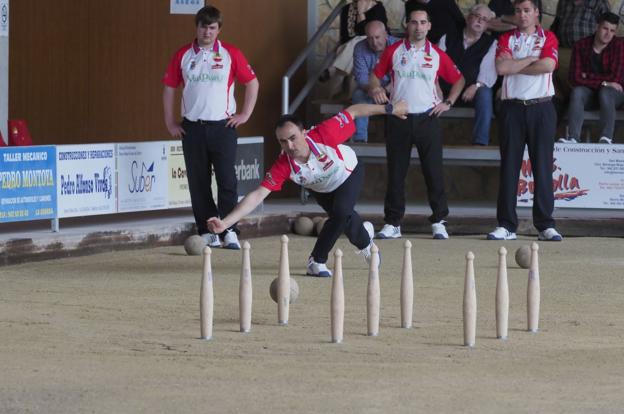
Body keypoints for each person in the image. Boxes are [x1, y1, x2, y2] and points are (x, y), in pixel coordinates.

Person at [207, 102, 409, 277]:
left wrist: (390, 109)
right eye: (282, 141)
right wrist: (225, 223)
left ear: (304, 132)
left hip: (348, 173)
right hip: (321, 189)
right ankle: (366, 240)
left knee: (340, 213)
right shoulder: (283, 164)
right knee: (345, 219)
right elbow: (257, 195)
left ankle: (316, 261)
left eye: (293, 138)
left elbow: (354, 111)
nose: (289, 145)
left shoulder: (324, 133)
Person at [162, 5, 259, 250]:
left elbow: (252, 82)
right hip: (192, 128)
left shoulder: (231, 53)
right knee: (198, 182)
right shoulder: (183, 54)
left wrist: (245, 114)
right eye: (203, 27)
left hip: (223, 127)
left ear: (219, 30)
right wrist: (170, 122)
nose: (207, 32)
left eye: (212, 27)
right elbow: (169, 87)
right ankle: (207, 231)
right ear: (197, 27)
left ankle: (229, 230)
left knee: (228, 180)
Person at [369, 6, 465, 240]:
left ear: (429, 26)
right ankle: (393, 223)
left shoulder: (436, 54)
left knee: (434, 172)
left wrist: (449, 102)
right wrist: (376, 88)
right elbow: (374, 76)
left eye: (423, 23)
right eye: (414, 22)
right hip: (398, 118)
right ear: (407, 25)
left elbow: (459, 79)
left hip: (427, 118)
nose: (419, 27)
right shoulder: (393, 50)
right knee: (396, 173)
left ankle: (439, 220)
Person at [487, 0, 562, 242]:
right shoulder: (507, 39)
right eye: (518, 11)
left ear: (536, 13)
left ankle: (545, 225)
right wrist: (531, 59)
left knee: (542, 167)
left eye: (527, 10)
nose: (522, 15)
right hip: (512, 108)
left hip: (541, 107)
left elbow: (548, 64)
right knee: (509, 167)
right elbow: (501, 68)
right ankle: (507, 225)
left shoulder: (548, 37)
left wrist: (516, 65)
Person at [559, 12, 623, 144]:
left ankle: (606, 138)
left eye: (612, 31)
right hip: (590, 95)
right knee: (578, 92)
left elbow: (616, 78)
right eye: (605, 28)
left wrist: (587, 76)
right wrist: (605, 82)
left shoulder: (619, 46)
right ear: (597, 26)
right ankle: (573, 138)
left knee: (606, 92)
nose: (608, 34)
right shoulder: (580, 46)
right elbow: (574, 78)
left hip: (613, 96)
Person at [438, 4, 497, 146]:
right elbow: (435, 64)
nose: (480, 21)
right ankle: (422, 139)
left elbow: (488, 70)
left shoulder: (491, 43)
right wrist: (436, 88)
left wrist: (476, 86)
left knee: (485, 92)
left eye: (484, 19)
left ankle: (480, 141)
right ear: (468, 18)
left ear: (487, 24)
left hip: (469, 93)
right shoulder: (448, 37)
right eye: (477, 17)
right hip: (444, 90)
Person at [320, 0, 388, 92]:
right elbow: (345, 35)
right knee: (353, 46)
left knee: (359, 42)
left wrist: (361, 13)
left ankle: (334, 69)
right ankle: (336, 75)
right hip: (349, 47)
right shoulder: (347, 9)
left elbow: (368, 33)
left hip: (373, 43)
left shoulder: (378, 8)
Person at [550, 0, 611, 100]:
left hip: (587, 51)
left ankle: (566, 100)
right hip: (563, 49)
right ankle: (558, 99)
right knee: (546, 60)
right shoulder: (563, 2)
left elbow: (608, 30)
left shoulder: (599, 3)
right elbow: (555, 27)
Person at [352, 20, 399, 142]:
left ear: (385, 34)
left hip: (394, 88)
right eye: (370, 38)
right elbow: (361, 78)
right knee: (358, 95)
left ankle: (399, 140)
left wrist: (384, 90)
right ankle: (360, 140)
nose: (374, 42)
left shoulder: (398, 46)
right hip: (370, 90)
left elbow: (402, 77)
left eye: (377, 37)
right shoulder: (360, 48)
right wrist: (373, 90)